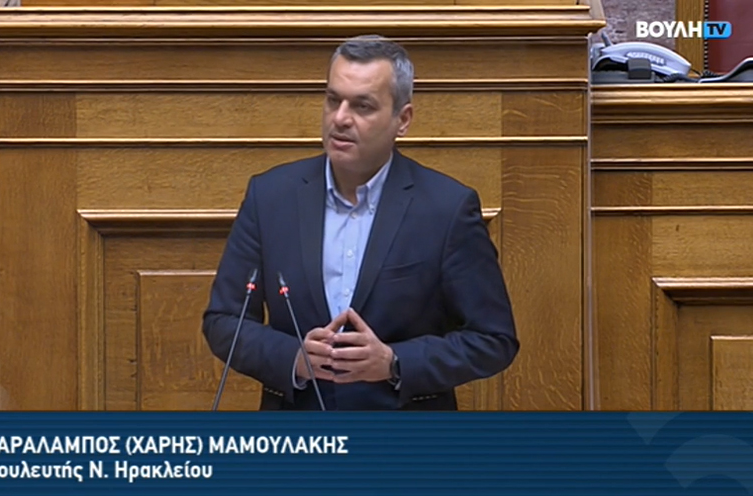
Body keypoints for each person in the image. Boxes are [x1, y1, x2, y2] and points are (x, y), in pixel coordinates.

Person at [202, 35, 518, 411]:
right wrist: (293, 358)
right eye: (333, 100)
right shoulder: (270, 197)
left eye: (362, 106)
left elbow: (493, 339)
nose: (340, 118)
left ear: (402, 120)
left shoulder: (447, 208)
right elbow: (223, 321)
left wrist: (395, 362)